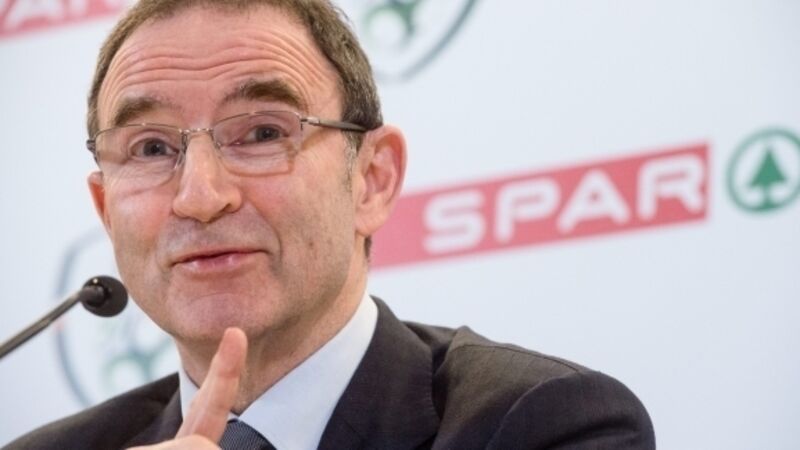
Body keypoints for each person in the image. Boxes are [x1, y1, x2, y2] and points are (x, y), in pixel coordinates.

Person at [6, 0, 655, 449]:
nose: (200, 197)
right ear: (106, 210)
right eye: (151, 148)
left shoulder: (545, 425)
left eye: (262, 133)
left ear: (372, 179)